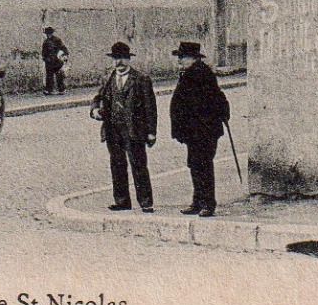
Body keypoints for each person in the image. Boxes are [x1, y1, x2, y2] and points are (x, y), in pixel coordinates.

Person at [89, 41, 156, 212]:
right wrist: (95, 110)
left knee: (139, 165)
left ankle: (146, 202)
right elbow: (97, 97)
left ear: (129, 60)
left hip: (134, 130)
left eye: (123, 58)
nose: (120, 62)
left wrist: (151, 132)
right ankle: (122, 201)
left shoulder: (141, 79)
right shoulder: (108, 78)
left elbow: (150, 107)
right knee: (117, 165)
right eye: (116, 58)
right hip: (112, 129)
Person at [168, 40, 231, 217]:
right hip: (194, 132)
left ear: (193, 58)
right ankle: (198, 201)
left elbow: (215, 101)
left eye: (182, 57)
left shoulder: (202, 75)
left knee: (203, 166)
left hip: (203, 132)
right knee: (195, 165)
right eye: (179, 56)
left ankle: (208, 204)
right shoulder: (189, 73)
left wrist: (209, 122)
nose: (179, 60)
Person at [40, 26, 69, 95]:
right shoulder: (45, 42)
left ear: (52, 33)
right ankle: (49, 90)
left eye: (49, 33)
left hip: (57, 61)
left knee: (59, 76)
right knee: (49, 76)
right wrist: (45, 58)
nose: (48, 35)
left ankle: (61, 90)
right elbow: (44, 52)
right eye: (47, 33)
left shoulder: (57, 40)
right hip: (49, 61)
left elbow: (64, 49)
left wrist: (63, 56)